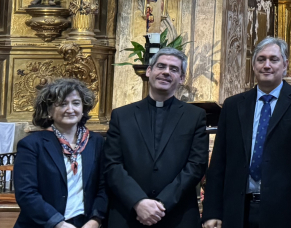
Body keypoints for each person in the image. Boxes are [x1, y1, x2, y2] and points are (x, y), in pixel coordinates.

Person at [204, 38, 291, 228]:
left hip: (285, 209)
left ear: (285, 65)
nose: (267, 65)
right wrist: (212, 210)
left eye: (273, 59)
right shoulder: (234, 105)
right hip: (237, 209)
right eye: (261, 59)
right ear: (253, 65)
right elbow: (219, 161)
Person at [104, 48, 208, 228]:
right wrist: (138, 201)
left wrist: (161, 204)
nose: (166, 72)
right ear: (149, 71)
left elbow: (196, 165)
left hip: (177, 215)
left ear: (182, 79)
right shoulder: (122, 115)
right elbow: (112, 165)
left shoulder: (195, 116)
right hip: (128, 214)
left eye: (174, 69)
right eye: (161, 66)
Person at [14, 78, 107, 228]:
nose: (70, 109)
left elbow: (104, 187)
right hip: (45, 224)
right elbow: (26, 193)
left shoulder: (96, 142)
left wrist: (95, 220)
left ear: (83, 108)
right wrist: (58, 223)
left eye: (76, 103)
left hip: (86, 223)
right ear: (49, 111)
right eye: (63, 104)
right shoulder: (32, 144)